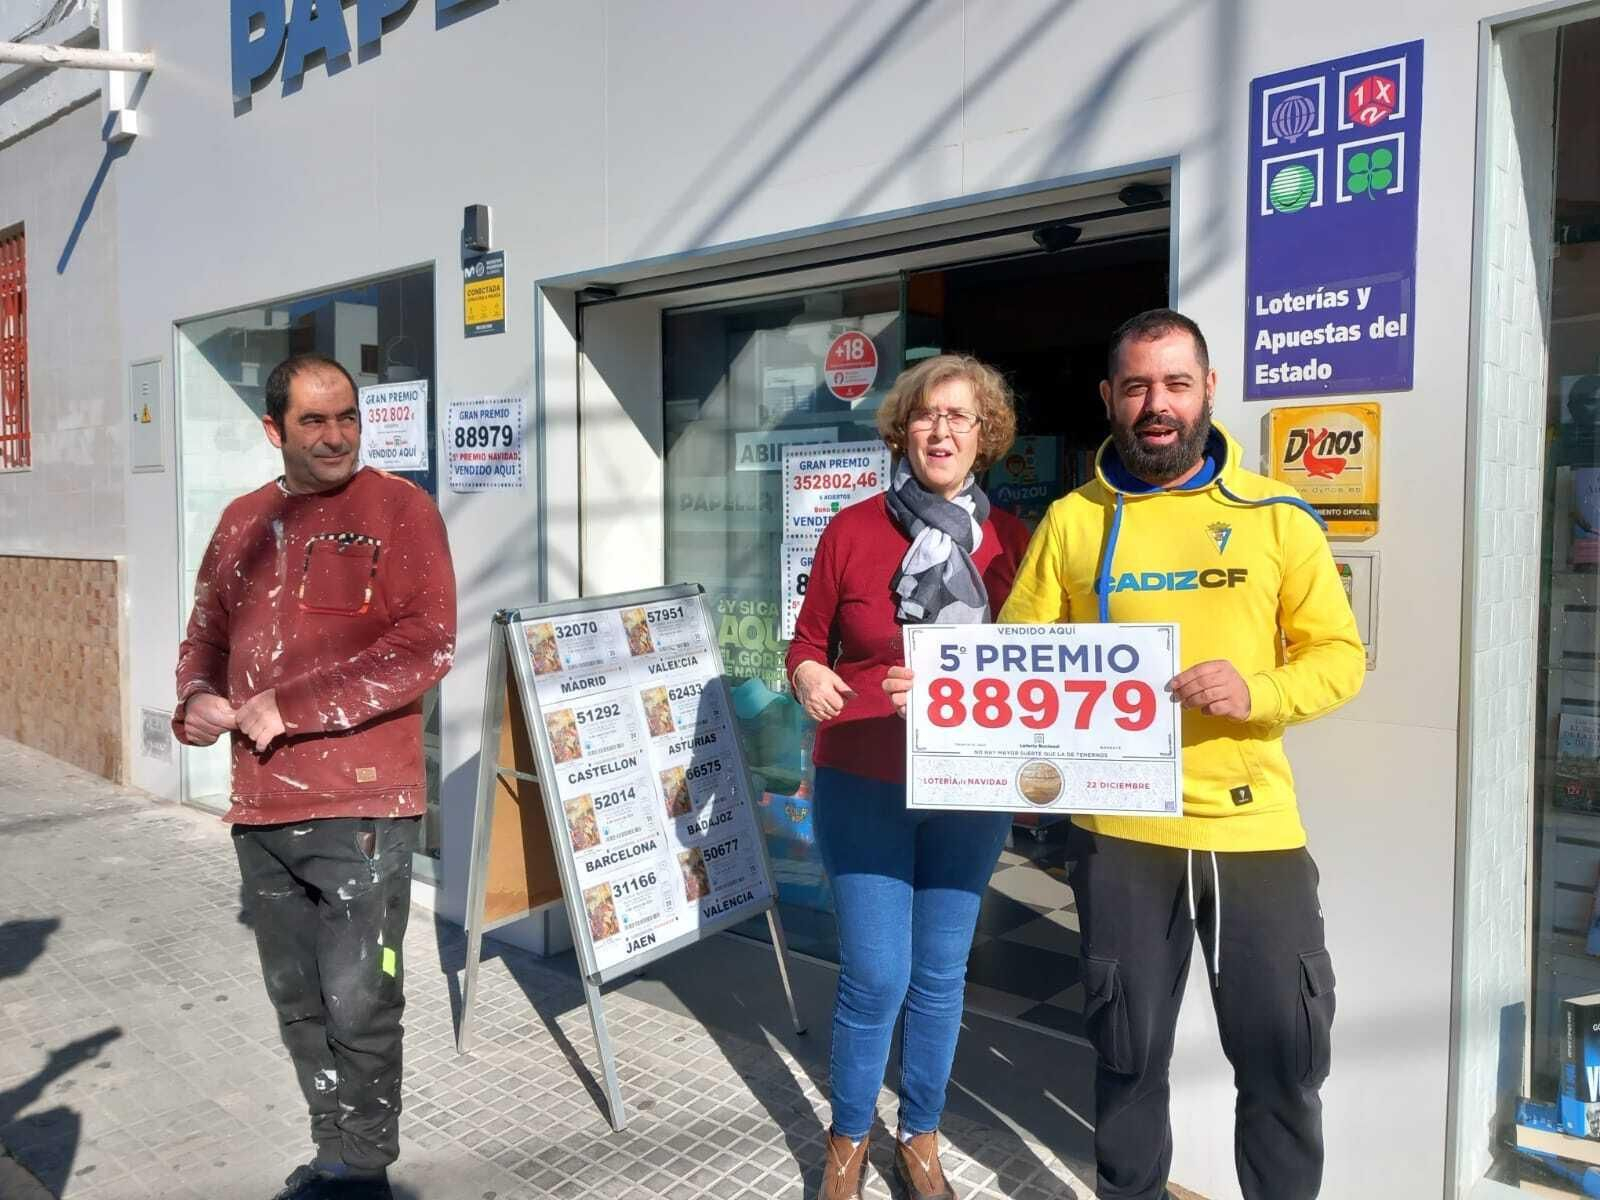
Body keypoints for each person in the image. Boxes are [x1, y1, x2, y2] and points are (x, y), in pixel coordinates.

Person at [890, 309, 1364, 1200]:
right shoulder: (1073, 521)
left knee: (1284, 1063)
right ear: (1109, 397)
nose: (1157, 404)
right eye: (1138, 386)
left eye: (1176, 384)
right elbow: (1016, 657)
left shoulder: (1276, 517)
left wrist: (1257, 691)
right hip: (1118, 832)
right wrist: (946, 694)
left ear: (1208, 390)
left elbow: (1340, 658)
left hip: (1251, 830)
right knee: (1126, 1059)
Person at [172, 353, 456, 1200]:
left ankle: (365, 1172)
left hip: (363, 802)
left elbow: (425, 646)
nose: (336, 437)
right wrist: (194, 697)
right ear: (274, 431)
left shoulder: (402, 511)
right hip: (260, 806)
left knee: (361, 1001)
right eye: (313, 421)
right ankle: (332, 1153)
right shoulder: (241, 522)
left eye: (347, 418)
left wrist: (291, 706)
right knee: (296, 999)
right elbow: (206, 635)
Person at [786, 354, 1033, 1200]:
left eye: (961, 417)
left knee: (940, 974)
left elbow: (1036, 668)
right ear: (902, 428)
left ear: (985, 436)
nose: (941, 430)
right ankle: (849, 1138)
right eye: (928, 414)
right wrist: (808, 676)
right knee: (878, 974)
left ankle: (919, 1137)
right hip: (863, 778)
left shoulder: (1017, 545)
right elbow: (807, 642)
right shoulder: (852, 530)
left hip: (968, 792)